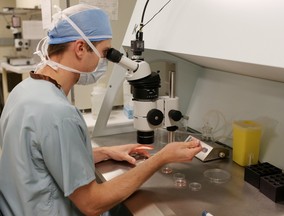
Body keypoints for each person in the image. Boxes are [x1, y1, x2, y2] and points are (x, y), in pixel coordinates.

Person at [0, 3, 202, 216]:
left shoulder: (24, 90)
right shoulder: (58, 113)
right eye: (105, 52)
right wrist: (161, 158)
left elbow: (41, 158)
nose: (104, 60)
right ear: (80, 48)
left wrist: (104, 152)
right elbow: (92, 203)